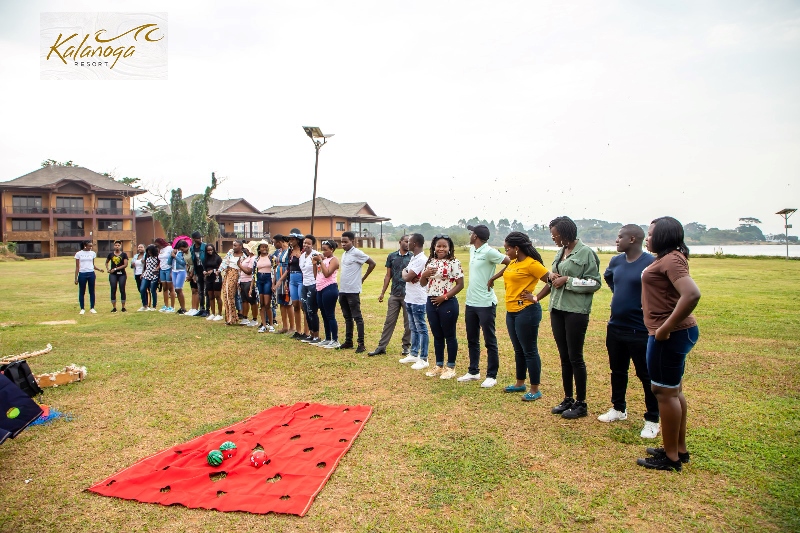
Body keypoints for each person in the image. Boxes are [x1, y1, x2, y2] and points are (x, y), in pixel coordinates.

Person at [636, 217, 700, 472]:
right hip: (673, 333)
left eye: (650, 234)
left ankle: (671, 457)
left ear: (663, 236)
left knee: (664, 392)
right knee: (673, 391)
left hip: (670, 335)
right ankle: (678, 449)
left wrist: (665, 328)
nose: (647, 238)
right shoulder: (669, 258)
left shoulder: (672, 259)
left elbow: (692, 294)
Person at [537, 216, 602, 419]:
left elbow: (594, 283)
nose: (553, 237)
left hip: (575, 311)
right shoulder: (561, 252)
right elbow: (554, 276)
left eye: (554, 234)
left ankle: (581, 403)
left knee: (575, 357)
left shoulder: (586, 253)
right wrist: (552, 277)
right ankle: (568, 399)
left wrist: (568, 280)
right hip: (557, 309)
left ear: (564, 234)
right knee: (564, 357)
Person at [599, 225, 660, 439]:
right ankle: (618, 409)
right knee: (617, 371)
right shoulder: (616, 262)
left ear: (633, 239)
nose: (617, 240)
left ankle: (652, 419)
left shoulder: (650, 263)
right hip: (615, 326)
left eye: (620, 237)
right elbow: (609, 278)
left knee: (646, 375)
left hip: (640, 330)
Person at [489, 232, 550, 400]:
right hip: (511, 311)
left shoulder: (532, 264)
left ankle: (535, 389)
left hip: (527, 311)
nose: (505, 252)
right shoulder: (514, 262)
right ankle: (519, 383)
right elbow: (506, 270)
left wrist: (536, 297)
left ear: (516, 248)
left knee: (529, 350)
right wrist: (493, 278)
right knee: (518, 350)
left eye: (507, 249)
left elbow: (551, 280)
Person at [458, 224, 510, 387]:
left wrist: (493, 278)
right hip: (471, 301)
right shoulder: (474, 249)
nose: (470, 235)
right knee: (472, 338)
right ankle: (473, 371)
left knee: (489, 340)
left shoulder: (489, 252)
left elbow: (510, 262)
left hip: (486, 303)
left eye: (471, 233)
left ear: (476, 236)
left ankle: (491, 375)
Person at [419, 234, 465, 379]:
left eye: (444, 246)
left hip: (447, 301)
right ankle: (439, 365)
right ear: (434, 247)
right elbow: (422, 283)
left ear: (449, 248)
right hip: (431, 301)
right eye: (438, 246)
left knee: (449, 335)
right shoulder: (430, 261)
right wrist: (424, 274)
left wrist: (444, 297)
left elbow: (460, 284)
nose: (441, 249)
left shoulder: (454, 262)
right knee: (437, 335)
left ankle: (450, 367)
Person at [368, 235, 412, 357]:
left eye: (409, 242)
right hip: (394, 294)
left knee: (408, 323)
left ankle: (406, 347)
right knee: (389, 321)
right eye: (406, 241)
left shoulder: (413, 257)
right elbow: (388, 275)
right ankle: (381, 347)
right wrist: (382, 292)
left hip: (408, 295)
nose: (408, 244)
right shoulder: (392, 256)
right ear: (400, 242)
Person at [338, 231, 376, 353]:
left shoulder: (357, 253)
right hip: (343, 290)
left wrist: (363, 278)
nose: (343, 244)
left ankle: (361, 344)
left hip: (353, 291)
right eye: (342, 242)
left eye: (346, 242)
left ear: (352, 241)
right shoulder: (345, 254)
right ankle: (349, 341)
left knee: (357, 317)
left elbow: (372, 263)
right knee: (347, 317)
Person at [401, 233, 430, 369]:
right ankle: (414, 353)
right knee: (413, 327)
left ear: (415, 244)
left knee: (421, 328)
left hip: (419, 298)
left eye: (409, 241)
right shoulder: (414, 257)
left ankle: (423, 358)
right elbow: (406, 273)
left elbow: (407, 276)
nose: (407, 244)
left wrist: (405, 273)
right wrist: (405, 272)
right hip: (410, 297)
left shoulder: (421, 259)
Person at [313, 240, 341, 348]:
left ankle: (335, 339)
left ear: (332, 250)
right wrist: (315, 264)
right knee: (324, 315)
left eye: (325, 249)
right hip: (320, 289)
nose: (323, 252)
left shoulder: (334, 260)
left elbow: (327, 274)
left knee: (330, 315)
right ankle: (328, 338)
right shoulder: (323, 260)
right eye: (322, 249)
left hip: (329, 288)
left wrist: (320, 260)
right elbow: (316, 275)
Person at [298, 235, 321, 343]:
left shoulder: (316, 255)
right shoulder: (302, 256)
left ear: (313, 245)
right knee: (305, 309)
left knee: (312, 310)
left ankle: (316, 335)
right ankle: (311, 334)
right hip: (304, 284)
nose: (306, 245)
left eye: (308, 243)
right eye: (304, 243)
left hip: (313, 284)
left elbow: (323, 264)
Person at [219, 240, 247, 325]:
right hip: (228, 273)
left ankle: (233, 318)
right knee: (226, 295)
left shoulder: (244, 256)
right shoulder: (230, 252)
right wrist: (219, 270)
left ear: (240, 246)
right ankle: (229, 317)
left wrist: (239, 280)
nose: (234, 247)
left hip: (236, 275)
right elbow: (225, 262)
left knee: (230, 295)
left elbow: (243, 268)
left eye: (235, 245)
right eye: (233, 245)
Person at [248, 241, 274, 332]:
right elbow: (253, 274)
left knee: (267, 303)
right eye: (262, 247)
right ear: (259, 249)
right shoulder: (256, 259)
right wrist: (251, 288)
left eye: (265, 247)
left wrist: (274, 283)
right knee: (261, 304)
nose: (264, 249)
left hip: (268, 279)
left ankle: (271, 324)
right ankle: (263, 324)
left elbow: (274, 270)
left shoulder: (271, 258)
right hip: (259, 280)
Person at [74, 240, 103, 314]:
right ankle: (82, 308)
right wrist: (76, 278)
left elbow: (92, 264)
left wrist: (99, 269)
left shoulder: (92, 253)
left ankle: (92, 308)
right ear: (85, 245)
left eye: (91, 246)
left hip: (91, 274)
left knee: (92, 291)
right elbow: (77, 267)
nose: (91, 247)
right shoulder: (78, 254)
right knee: (82, 291)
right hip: (82, 274)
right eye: (89, 246)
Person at [272, 235, 293, 333]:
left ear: (279, 242)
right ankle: (285, 326)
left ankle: (292, 327)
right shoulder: (279, 252)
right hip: (278, 276)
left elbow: (288, 268)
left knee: (288, 303)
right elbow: (276, 266)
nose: (273, 244)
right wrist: (275, 281)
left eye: (274, 242)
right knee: (281, 302)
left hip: (285, 278)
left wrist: (281, 280)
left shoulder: (289, 251)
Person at [286, 232, 306, 338]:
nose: (290, 241)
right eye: (289, 239)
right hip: (292, 279)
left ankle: (306, 332)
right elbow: (288, 267)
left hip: (301, 278)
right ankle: (298, 331)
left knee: (303, 305)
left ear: (298, 240)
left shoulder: (303, 251)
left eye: (292, 239)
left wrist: (300, 257)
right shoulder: (290, 251)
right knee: (295, 305)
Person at [187, 231, 208, 317]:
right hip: (198, 271)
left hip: (205, 271)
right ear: (194, 239)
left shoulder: (205, 246)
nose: (199, 240)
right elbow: (194, 261)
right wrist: (194, 274)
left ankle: (207, 310)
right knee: (200, 291)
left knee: (206, 291)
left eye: (200, 238)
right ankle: (201, 309)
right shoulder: (192, 248)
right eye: (197, 238)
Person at [105, 240, 129, 312]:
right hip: (113, 274)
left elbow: (125, 265)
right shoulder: (111, 254)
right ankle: (114, 307)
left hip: (122, 274)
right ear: (114, 246)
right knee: (113, 289)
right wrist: (108, 269)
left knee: (122, 289)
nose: (117, 246)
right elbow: (106, 262)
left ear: (120, 246)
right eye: (116, 245)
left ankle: (123, 307)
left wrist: (115, 269)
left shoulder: (124, 254)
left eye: (118, 245)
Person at [202, 244, 224, 321]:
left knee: (217, 296)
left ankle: (220, 314)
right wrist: (204, 272)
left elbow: (221, 268)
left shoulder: (218, 258)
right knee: (210, 296)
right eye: (208, 250)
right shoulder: (205, 258)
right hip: (208, 278)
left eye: (211, 250)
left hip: (216, 278)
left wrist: (213, 271)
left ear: (214, 250)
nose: (210, 251)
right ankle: (213, 313)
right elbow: (204, 267)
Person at [169, 239, 191, 314]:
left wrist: (175, 257)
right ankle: (181, 308)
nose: (180, 249)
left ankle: (183, 308)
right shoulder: (175, 252)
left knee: (179, 289)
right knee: (176, 290)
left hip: (181, 271)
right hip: (174, 271)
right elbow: (169, 262)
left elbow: (183, 263)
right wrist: (171, 255)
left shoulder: (183, 253)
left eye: (181, 248)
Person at [155, 238, 175, 313]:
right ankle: (166, 305)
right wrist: (157, 268)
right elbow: (161, 260)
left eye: (157, 244)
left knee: (171, 288)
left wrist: (172, 271)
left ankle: (172, 307)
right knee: (164, 288)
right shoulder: (161, 250)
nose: (157, 246)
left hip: (169, 269)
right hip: (162, 269)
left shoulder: (169, 248)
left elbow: (173, 259)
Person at [138, 244, 160, 311]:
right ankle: (145, 305)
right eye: (148, 251)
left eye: (150, 251)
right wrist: (143, 273)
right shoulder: (147, 256)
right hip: (147, 273)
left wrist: (157, 269)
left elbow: (160, 263)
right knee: (142, 289)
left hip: (154, 274)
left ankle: (154, 306)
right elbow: (145, 265)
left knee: (153, 290)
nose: (149, 252)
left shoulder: (157, 256)